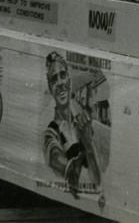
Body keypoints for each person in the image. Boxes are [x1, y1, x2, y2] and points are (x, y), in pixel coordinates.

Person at [42, 52, 101, 198]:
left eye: (63, 75)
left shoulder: (81, 122)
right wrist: (86, 147)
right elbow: (57, 158)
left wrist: (88, 144)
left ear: (69, 80)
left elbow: (98, 182)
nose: (60, 83)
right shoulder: (51, 133)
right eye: (54, 79)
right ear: (50, 88)